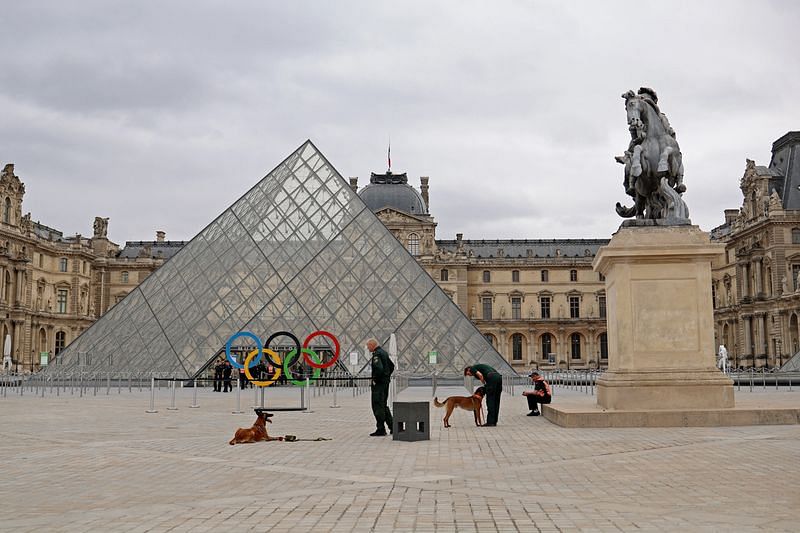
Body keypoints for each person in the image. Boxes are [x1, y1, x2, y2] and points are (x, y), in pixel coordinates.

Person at [367, 338, 394, 436]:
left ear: (372, 345)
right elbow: (392, 366)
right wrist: (386, 376)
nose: (367, 348)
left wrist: (376, 379)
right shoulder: (384, 353)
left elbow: (379, 368)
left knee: (378, 406)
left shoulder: (377, 354)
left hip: (379, 385)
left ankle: (381, 429)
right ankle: (393, 426)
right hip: (385, 383)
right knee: (383, 405)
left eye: (368, 346)